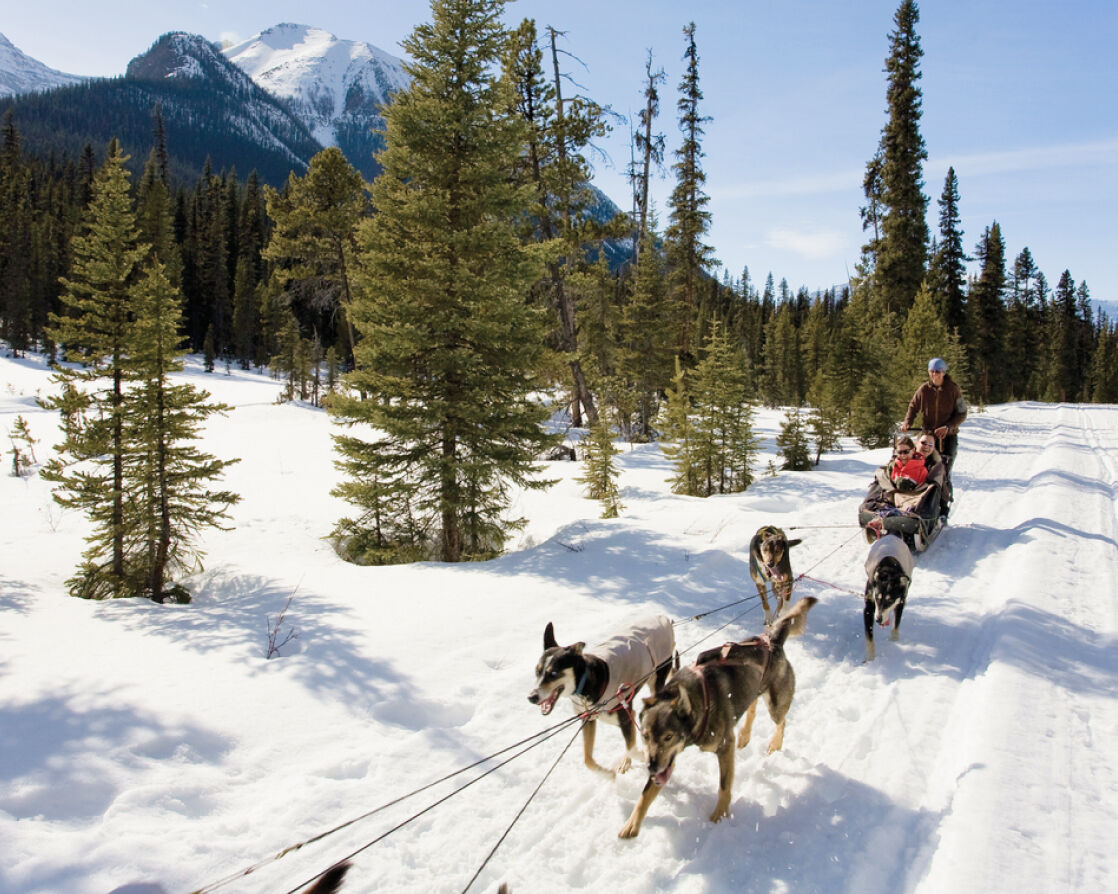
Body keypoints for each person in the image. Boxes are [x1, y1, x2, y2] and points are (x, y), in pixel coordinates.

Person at [900, 357, 967, 472]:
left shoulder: (953, 390)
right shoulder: (924, 390)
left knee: (944, 471)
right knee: (922, 468)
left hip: (948, 436)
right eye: (932, 371)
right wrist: (907, 422)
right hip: (928, 435)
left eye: (938, 371)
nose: (934, 374)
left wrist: (948, 427)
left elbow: (962, 413)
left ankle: (945, 489)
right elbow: (913, 406)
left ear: (944, 373)